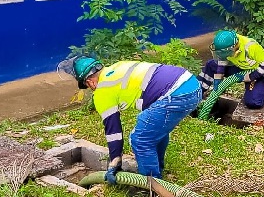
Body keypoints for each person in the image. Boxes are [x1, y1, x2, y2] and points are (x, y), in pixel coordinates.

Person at [58, 56, 202, 183]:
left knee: (140, 139)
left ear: (90, 82)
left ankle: (153, 186)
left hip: (176, 94)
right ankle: (157, 168)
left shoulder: (102, 91)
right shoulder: (118, 66)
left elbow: (113, 130)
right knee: (153, 129)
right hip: (192, 86)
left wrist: (115, 161)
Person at [197, 30, 264, 109]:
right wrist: (218, 79)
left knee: (253, 102)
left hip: (257, 73)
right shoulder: (226, 46)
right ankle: (198, 93)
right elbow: (222, 60)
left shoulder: (250, 46)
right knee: (211, 65)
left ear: (234, 47)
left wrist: (249, 77)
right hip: (239, 68)